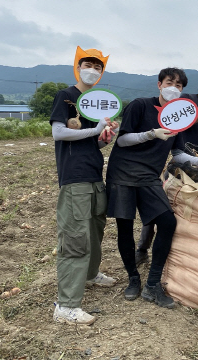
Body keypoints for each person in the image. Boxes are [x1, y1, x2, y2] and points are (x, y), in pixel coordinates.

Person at [106, 67, 198, 309]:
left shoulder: (179, 118)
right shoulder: (140, 105)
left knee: (167, 223)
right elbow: (122, 139)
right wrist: (151, 134)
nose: (174, 87)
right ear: (159, 84)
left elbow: (178, 154)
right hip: (123, 175)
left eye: (180, 85)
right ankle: (133, 278)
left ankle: (152, 284)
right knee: (124, 227)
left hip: (150, 177)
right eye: (170, 82)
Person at [49, 46, 119, 325]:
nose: (92, 69)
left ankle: (90, 275)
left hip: (93, 174)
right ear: (78, 67)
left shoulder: (96, 101)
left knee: (94, 229)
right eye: (87, 64)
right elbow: (58, 132)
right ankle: (65, 306)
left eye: (98, 66)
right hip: (74, 177)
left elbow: (95, 141)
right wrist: (94, 129)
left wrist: (106, 135)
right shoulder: (66, 96)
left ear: (102, 73)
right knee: (75, 238)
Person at [134, 67, 198, 267]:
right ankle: (142, 248)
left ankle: (191, 250)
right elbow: (179, 124)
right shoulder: (185, 100)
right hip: (181, 156)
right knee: (160, 201)